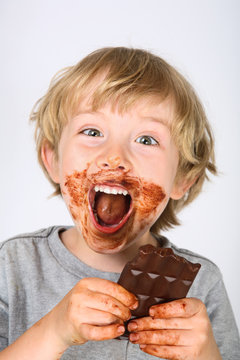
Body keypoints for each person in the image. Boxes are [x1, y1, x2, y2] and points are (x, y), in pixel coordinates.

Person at [0, 47, 239, 360]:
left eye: (146, 140)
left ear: (183, 178)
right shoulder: (13, 266)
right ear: (53, 160)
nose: (114, 157)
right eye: (92, 131)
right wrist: (53, 331)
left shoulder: (202, 285)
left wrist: (205, 353)